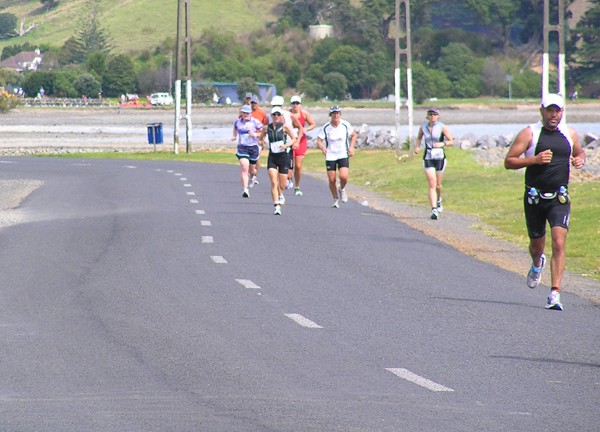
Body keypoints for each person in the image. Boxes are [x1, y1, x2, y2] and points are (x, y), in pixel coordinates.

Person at [504, 93, 586, 310]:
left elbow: (580, 151)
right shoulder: (530, 133)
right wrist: (534, 160)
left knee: (559, 242)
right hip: (535, 198)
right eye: (550, 110)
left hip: (559, 198)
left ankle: (555, 293)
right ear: (541, 111)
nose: (554, 114)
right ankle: (537, 263)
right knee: (536, 245)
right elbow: (509, 161)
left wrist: (580, 159)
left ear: (562, 112)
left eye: (557, 111)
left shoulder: (569, 134)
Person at [414, 107, 454, 220]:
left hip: (440, 157)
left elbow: (451, 141)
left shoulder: (442, 127)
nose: (432, 116)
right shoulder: (423, 127)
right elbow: (419, 138)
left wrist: (442, 144)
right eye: (430, 114)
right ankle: (434, 209)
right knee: (432, 183)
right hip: (428, 157)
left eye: (434, 114)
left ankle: (439, 200)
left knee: (438, 185)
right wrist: (417, 147)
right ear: (427, 116)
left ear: (438, 116)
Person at [315, 105, 357, 208]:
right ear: (330, 115)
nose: (336, 115)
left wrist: (351, 148)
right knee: (332, 179)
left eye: (337, 113)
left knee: (344, 177)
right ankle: (335, 198)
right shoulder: (326, 127)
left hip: (342, 153)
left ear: (340, 114)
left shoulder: (345, 125)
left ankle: (342, 189)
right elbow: (319, 140)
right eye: (334, 113)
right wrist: (322, 148)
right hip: (331, 155)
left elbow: (354, 135)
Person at [260, 106, 297, 215]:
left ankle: (281, 194)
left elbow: (294, 138)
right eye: (274, 115)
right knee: (273, 181)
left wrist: (286, 145)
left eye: (278, 115)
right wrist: (262, 143)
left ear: (281, 116)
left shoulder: (285, 127)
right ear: (271, 116)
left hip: (283, 157)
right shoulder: (266, 128)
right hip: (272, 157)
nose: (276, 116)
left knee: (282, 184)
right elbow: (260, 139)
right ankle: (276, 206)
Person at [231, 104, 265, 198]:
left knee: (252, 170)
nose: (245, 114)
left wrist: (255, 134)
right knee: (244, 167)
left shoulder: (255, 122)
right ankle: (245, 190)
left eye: (247, 113)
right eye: (243, 112)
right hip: (242, 148)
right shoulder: (238, 122)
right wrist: (234, 136)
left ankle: (253, 176)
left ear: (250, 113)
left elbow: (264, 131)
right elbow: (235, 128)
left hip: (253, 147)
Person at [270, 95, 302, 190]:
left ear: (282, 105)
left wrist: (297, 141)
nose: (276, 108)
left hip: (288, 145)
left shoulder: (289, 115)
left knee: (288, 173)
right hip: (275, 148)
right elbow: (264, 129)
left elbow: (300, 128)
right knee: (275, 171)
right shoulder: (270, 116)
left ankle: (288, 179)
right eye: (274, 105)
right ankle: (279, 190)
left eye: (278, 105)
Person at [288, 95, 316, 196]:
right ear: (290, 104)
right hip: (289, 140)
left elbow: (313, 124)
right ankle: (288, 179)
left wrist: (306, 129)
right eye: (293, 103)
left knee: (298, 166)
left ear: (300, 104)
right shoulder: (287, 114)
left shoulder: (304, 114)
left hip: (301, 141)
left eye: (297, 103)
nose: (295, 106)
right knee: (288, 165)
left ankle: (297, 186)